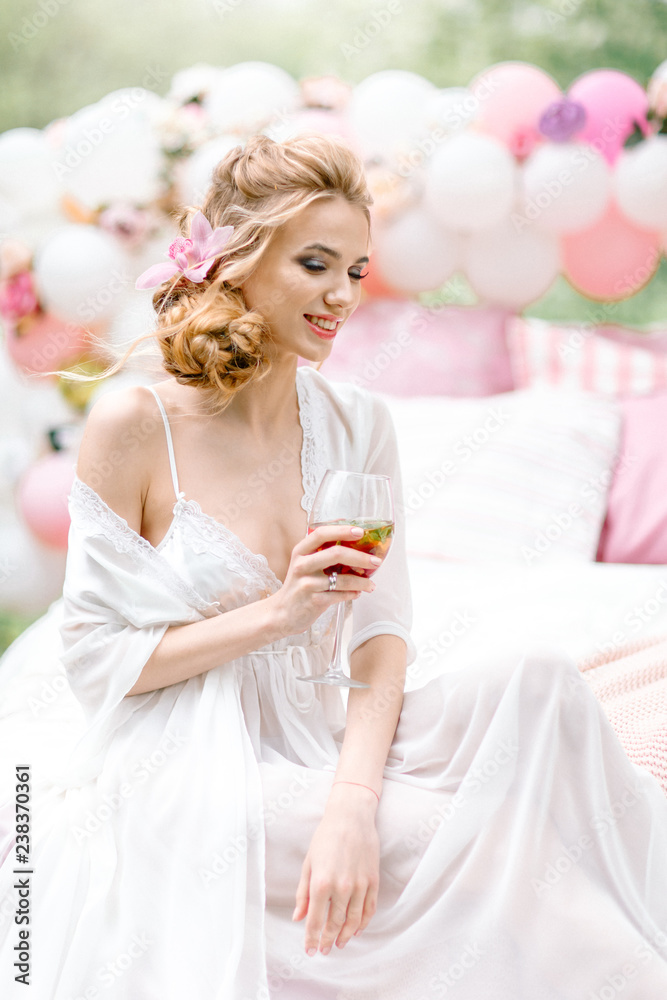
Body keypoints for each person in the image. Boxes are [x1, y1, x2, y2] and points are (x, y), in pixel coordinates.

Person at [1, 132, 667, 1000]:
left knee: (540, 680)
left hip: (319, 725)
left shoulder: (358, 421)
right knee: (490, 853)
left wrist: (353, 796)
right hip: (191, 757)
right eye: (315, 264)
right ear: (236, 262)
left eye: (354, 270)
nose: (342, 295)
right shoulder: (135, 425)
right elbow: (95, 663)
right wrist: (280, 615)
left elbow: (381, 633)